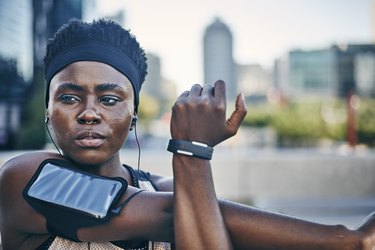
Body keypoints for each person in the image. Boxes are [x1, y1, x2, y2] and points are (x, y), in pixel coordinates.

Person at [0, 19, 375, 250]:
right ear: (47, 110)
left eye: (110, 98)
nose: (89, 113)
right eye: (69, 97)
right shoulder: (24, 179)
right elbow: (172, 213)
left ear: (133, 113)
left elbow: (201, 213)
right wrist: (191, 150)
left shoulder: (159, 188)